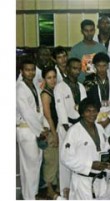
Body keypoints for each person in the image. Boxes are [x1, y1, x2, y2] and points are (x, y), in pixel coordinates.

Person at [60, 98, 110, 199]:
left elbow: (105, 149)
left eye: (94, 111)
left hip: (100, 180)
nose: (92, 114)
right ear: (82, 113)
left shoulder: (100, 128)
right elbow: (65, 158)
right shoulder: (74, 131)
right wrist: (90, 165)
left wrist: (108, 162)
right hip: (82, 181)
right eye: (88, 111)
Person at [54, 58, 87, 195]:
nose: (76, 71)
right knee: (65, 161)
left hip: (79, 126)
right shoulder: (60, 87)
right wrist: (68, 128)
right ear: (67, 69)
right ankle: (64, 192)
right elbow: (60, 109)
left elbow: (84, 107)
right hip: (65, 127)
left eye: (78, 68)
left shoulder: (80, 86)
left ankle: (76, 192)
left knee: (78, 159)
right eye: (73, 68)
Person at [16, 59, 48, 199]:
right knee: (29, 167)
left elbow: (39, 109)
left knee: (36, 165)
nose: (31, 72)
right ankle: (28, 196)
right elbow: (27, 113)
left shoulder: (34, 85)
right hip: (26, 130)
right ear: (21, 71)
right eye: (27, 70)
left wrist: (45, 125)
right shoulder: (19, 89)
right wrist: (40, 131)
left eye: (33, 69)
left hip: (36, 129)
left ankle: (32, 195)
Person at [40, 67, 61, 199]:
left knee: (56, 160)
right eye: (49, 78)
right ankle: (49, 189)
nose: (52, 80)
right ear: (44, 79)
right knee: (50, 161)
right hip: (50, 132)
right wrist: (54, 134)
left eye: (54, 77)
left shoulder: (55, 91)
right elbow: (48, 116)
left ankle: (56, 186)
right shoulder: (45, 94)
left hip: (55, 129)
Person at [86, 52, 110, 128]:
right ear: (94, 66)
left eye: (104, 66)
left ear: (108, 66)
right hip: (94, 118)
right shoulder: (89, 82)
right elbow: (86, 103)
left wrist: (108, 120)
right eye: (99, 66)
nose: (101, 69)